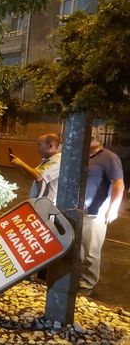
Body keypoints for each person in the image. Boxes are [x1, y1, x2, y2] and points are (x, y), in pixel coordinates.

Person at [80, 127, 125, 296]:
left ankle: (87, 284)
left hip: (95, 212)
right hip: (77, 210)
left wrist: (113, 209)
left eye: (86, 139)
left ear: (95, 140)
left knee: (91, 250)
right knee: (78, 249)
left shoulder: (109, 158)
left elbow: (118, 184)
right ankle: (77, 278)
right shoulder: (83, 156)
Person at [9, 133, 62, 204]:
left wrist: (20, 163)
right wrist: (18, 165)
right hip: (40, 202)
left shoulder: (57, 160)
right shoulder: (49, 160)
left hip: (47, 204)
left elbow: (38, 177)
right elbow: (30, 175)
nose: (37, 149)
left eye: (40, 145)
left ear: (50, 146)